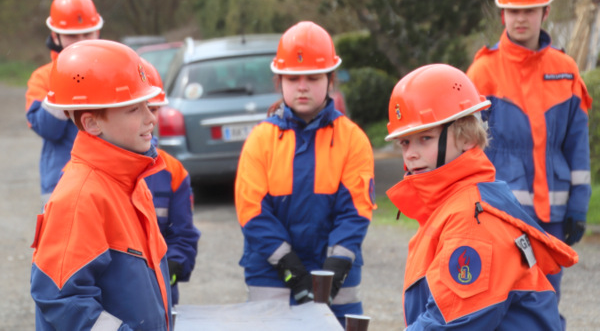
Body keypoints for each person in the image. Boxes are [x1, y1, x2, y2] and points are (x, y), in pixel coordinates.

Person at [385, 63, 579, 330]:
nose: (411, 154)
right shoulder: (453, 203)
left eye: (425, 138)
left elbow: (452, 322)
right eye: (405, 142)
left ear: (467, 137)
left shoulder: (474, 217)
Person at [466, 0, 592, 327]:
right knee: (496, 302)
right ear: (502, 14)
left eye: (529, 10)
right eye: (513, 10)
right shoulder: (483, 71)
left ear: (546, 11)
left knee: (545, 302)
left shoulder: (565, 71)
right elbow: (468, 151)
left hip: (551, 216)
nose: (521, 18)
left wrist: (580, 203)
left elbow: (576, 145)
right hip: (500, 213)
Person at [234, 21, 376, 325]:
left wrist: (335, 267)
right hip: (270, 275)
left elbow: (356, 211)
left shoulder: (353, 139)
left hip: (335, 276)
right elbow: (252, 211)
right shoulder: (260, 139)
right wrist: (289, 267)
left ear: (330, 79)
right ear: (280, 80)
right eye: (293, 77)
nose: (302, 86)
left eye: (313, 77)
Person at [30, 39, 173, 330]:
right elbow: (62, 299)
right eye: (134, 109)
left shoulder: (131, 182)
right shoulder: (79, 197)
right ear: (93, 123)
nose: (150, 119)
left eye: (148, 105)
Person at [25, 0, 103, 205]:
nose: (80, 41)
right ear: (55, 36)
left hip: (109, 180)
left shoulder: (112, 72)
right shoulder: (42, 77)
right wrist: (65, 81)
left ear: (98, 32)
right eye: (72, 35)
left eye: (87, 33)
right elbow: (48, 130)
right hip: (61, 185)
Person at [143, 59, 201, 305]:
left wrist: (170, 271)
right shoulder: (89, 174)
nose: (149, 119)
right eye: (138, 108)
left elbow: (183, 236)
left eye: (154, 110)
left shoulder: (173, 171)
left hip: (161, 299)